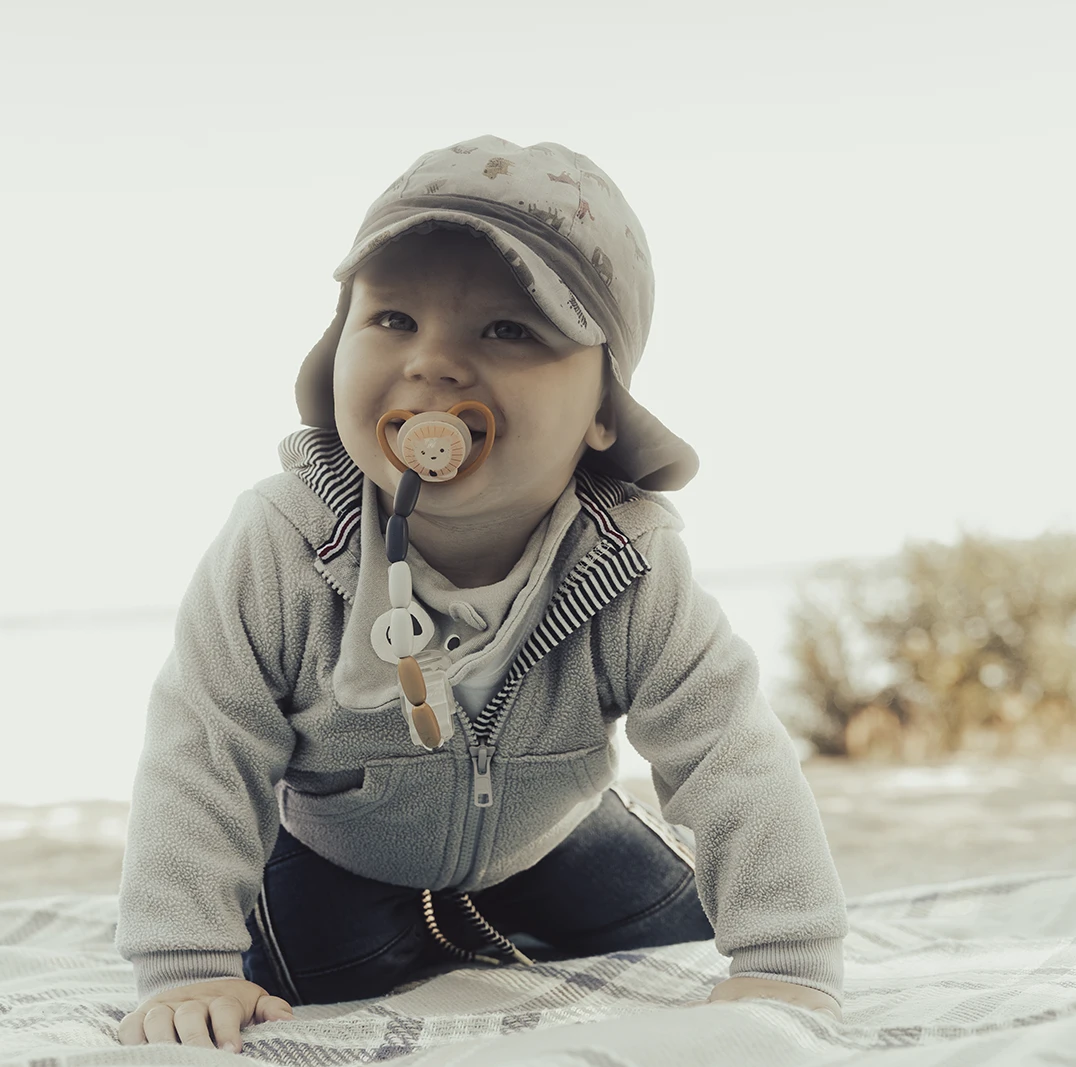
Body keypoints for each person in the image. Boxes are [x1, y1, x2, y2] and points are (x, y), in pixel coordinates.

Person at [114, 135, 848, 1054]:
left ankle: (503, 928)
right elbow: (203, 747)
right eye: (391, 322)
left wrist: (784, 960)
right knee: (300, 983)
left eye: (508, 330)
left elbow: (730, 754)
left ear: (603, 411)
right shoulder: (283, 542)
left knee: (680, 938)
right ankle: (415, 937)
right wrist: (188, 965)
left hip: (556, 839)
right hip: (337, 856)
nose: (434, 365)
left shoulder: (629, 562)